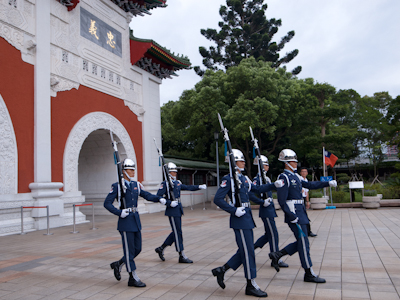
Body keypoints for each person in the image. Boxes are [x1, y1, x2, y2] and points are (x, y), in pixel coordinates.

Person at [212, 149, 284, 298]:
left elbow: (257, 188)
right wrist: (233, 210)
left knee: (245, 250)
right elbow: (217, 199)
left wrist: (273, 186)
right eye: (241, 161)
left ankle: (222, 270)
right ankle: (251, 284)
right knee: (249, 252)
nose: (244, 163)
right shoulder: (229, 179)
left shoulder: (244, 179)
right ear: (234, 163)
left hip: (247, 219)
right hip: (239, 220)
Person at [269, 149, 337, 283]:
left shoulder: (296, 176)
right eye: (293, 161)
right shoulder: (284, 178)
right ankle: (308, 272)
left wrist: (327, 183)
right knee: (304, 243)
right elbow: (282, 201)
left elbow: (310, 185)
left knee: (302, 241)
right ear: (287, 163)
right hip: (294, 213)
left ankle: (277, 254)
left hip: (301, 213)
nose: (296, 163)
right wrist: (290, 215)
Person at [104, 158, 166, 287]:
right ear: (124, 171)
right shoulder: (117, 186)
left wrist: (160, 199)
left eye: (133, 170)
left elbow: (147, 195)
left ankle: (118, 264)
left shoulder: (135, 185)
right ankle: (132, 277)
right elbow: (107, 203)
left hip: (135, 221)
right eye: (130, 170)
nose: (133, 172)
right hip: (125, 222)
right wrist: (119, 212)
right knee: (129, 251)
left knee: (137, 249)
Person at [155, 162, 207, 264]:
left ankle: (161, 248)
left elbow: (187, 187)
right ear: (168, 172)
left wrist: (199, 186)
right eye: (173, 172)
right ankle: (181, 255)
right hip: (172, 210)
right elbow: (158, 196)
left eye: (175, 172)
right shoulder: (165, 183)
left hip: (178, 209)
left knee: (176, 231)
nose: (175, 173)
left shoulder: (176, 182)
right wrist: (169, 203)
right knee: (178, 232)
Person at [249, 155, 289, 269]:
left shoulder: (266, 178)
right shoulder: (257, 179)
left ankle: (249, 250)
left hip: (269, 210)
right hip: (266, 210)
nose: (267, 166)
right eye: (265, 165)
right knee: (273, 234)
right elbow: (251, 194)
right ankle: (275, 258)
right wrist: (262, 202)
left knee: (268, 236)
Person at [300, 167, 317, 237]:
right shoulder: (299, 179)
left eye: (305, 171)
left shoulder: (306, 180)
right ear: (300, 173)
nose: (304, 173)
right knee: (302, 216)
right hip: (298, 199)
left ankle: (308, 231)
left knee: (305, 216)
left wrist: (307, 201)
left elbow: (306, 192)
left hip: (303, 199)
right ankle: (305, 231)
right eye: (302, 171)